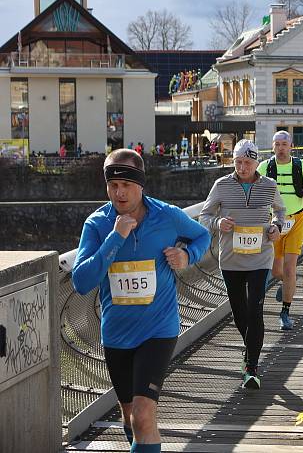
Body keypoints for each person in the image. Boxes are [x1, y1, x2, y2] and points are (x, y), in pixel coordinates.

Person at [72, 149, 211, 452]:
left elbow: (202, 236)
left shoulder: (167, 215)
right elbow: (81, 282)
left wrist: (187, 255)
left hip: (158, 330)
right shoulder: (97, 225)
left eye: (126, 185)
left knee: (143, 415)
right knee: (129, 414)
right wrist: (115, 237)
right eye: (113, 186)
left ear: (141, 185)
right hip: (117, 334)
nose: (119, 193)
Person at [200, 140, 285, 389]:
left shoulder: (269, 185)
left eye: (247, 162)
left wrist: (276, 227)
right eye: (238, 162)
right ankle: (249, 352)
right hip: (230, 259)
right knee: (239, 312)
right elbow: (205, 215)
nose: (242, 167)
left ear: (257, 163)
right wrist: (218, 223)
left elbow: (281, 212)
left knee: (255, 309)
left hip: (260, 256)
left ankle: (251, 367)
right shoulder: (221, 185)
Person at [257, 131, 303, 330]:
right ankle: (288, 286)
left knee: (290, 268)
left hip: (296, 220)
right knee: (277, 270)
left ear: (291, 146)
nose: (281, 148)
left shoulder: (302, 166)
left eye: (284, 144)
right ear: (272, 146)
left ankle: (285, 312)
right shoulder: (264, 167)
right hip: (273, 222)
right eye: (277, 144)